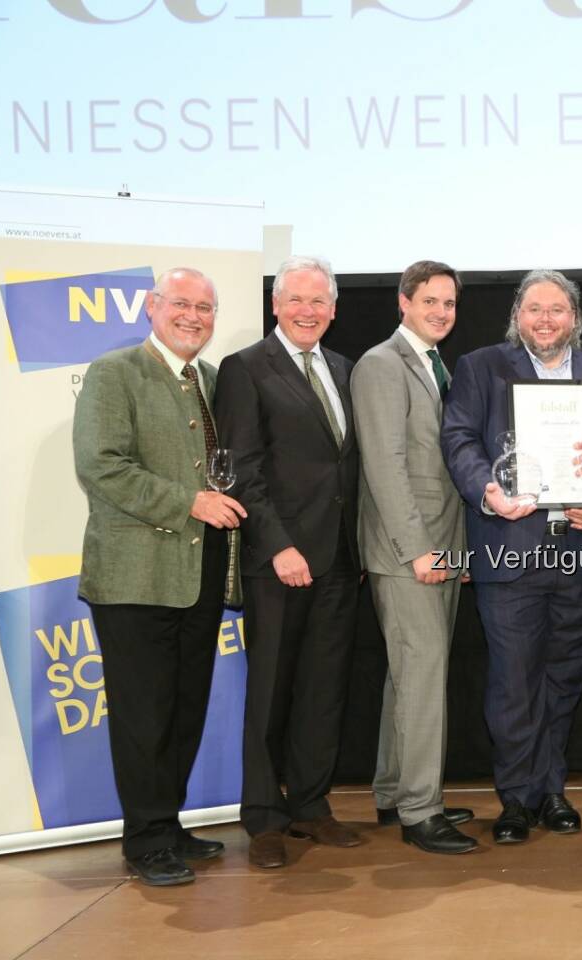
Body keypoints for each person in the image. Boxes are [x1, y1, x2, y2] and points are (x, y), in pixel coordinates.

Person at [441, 269, 582, 845]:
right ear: (516, 317)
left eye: (557, 310)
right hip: (511, 549)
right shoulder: (481, 367)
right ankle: (517, 799)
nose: (545, 321)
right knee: (514, 682)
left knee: (565, 677)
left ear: (575, 318)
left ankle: (551, 789)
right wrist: (488, 491)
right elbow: (458, 439)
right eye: (533, 310)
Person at [73, 268, 245, 886]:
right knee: (144, 717)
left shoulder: (214, 381)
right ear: (152, 307)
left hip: (198, 576)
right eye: (181, 304)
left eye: (205, 306)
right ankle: (145, 840)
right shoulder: (114, 373)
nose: (194, 316)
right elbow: (101, 467)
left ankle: (166, 824)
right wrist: (189, 502)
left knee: (182, 710)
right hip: (133, 579)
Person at [214, 255, 363, 869]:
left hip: (339, 559)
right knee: (271, 692)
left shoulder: (343, 368)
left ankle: (309, 805)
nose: (308, 310)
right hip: (280, 561)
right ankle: (265, 819)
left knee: (322, 692)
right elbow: (241, 470)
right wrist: (279, 546)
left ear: (333, 309)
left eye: (319, 301)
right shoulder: (245, 368)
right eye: (296, 300)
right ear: (276, 305)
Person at [351, 260, 477, 855]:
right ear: (403, 302)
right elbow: (385, 467)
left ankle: (395, 789)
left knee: (411, 676)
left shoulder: (433, 364)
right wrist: (419, 550)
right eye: (429, 301)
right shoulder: (382, 365)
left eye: (448, 303)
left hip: (442, 544)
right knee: (423, 674)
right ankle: (420, 813)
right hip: (411, 551)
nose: (440, 312)